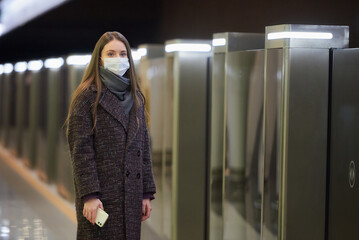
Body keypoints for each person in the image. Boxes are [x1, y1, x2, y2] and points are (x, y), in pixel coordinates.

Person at [65, 31, 156, 240]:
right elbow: (81, 150)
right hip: (100, 199)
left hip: (131, 196)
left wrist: (145, 193)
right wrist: (89, 195)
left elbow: (143, 146)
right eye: (111, 54)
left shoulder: (136, 98)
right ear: (100, 59)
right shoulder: (87, 97)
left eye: (123, 54)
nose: (118, 59)